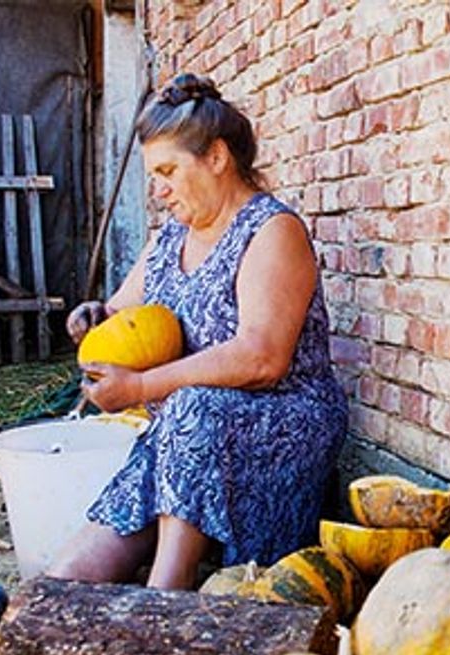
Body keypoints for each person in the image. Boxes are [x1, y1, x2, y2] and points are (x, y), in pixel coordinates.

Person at [53, 72, 348, 591]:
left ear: (216, 157)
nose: (158, 189)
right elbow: (122, 314)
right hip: (187, 435)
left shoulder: (271, 230)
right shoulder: (170, 239)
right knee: (80, 565)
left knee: (191, 410)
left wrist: (142, 387)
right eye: (153, 175)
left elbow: (262, 357)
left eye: (167, 170)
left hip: (281, 420)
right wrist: (93, 319)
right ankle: (41, 609)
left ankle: (168, 594)